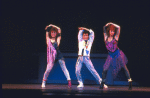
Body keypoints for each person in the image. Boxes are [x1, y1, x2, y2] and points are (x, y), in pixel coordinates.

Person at [100, 22, 132, 89]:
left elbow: (119, 27)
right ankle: (102, 83)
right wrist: (107, 24)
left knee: (124, 67)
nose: (112, 32)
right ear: (109, 31)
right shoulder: (106, 37)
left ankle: (130, 82)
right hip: (110, 55)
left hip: (117, 53)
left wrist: (112, 23)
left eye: (113, 31)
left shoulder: (116, 37)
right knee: (105, 69)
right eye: (111, 31)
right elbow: (104, 28)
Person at [41, 24, 71, 88]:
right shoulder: (48, 39)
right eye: (52, 32)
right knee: (48, 69)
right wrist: (49, 27)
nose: (53, 33)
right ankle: (43, 82)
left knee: (64, 67)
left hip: (58, 54)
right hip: (51, 56)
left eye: (54, 32)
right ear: (50, 33)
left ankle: (69, 81)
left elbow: (59, 30)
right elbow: (47, 31)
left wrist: (53, 25)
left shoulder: (58, 39)